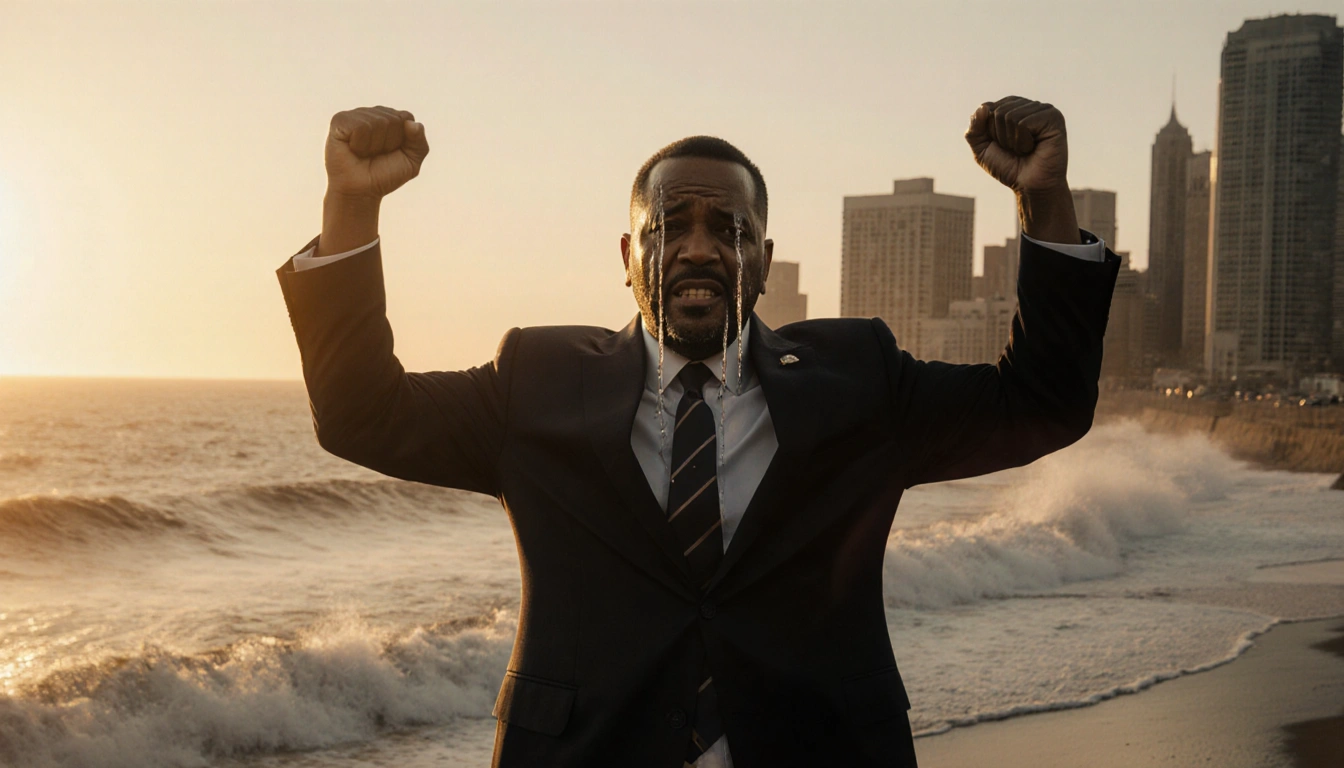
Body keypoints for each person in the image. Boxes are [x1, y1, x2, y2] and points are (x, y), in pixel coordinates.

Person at [276, 96, 1119, 767]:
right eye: (670, 226)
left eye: (730, 230)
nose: (699, 248)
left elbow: (1040, 401)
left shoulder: (858, 379)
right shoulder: (536, 381)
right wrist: (352, 207)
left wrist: (1041, 199)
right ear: (628, 252)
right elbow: (361, 413)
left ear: (762, 256)